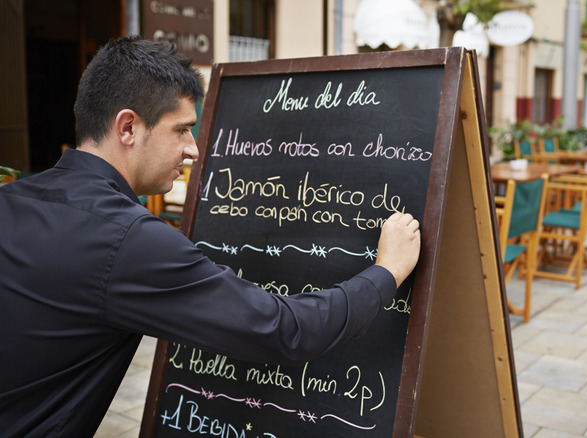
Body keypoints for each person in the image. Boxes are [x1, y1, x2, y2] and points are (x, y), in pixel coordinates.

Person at [0, 36, 421, 436]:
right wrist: (388, 271)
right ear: (127, 127)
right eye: (181, 129)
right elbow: (286, 331)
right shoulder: (127, 241)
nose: (193, 149)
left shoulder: (12, 199)